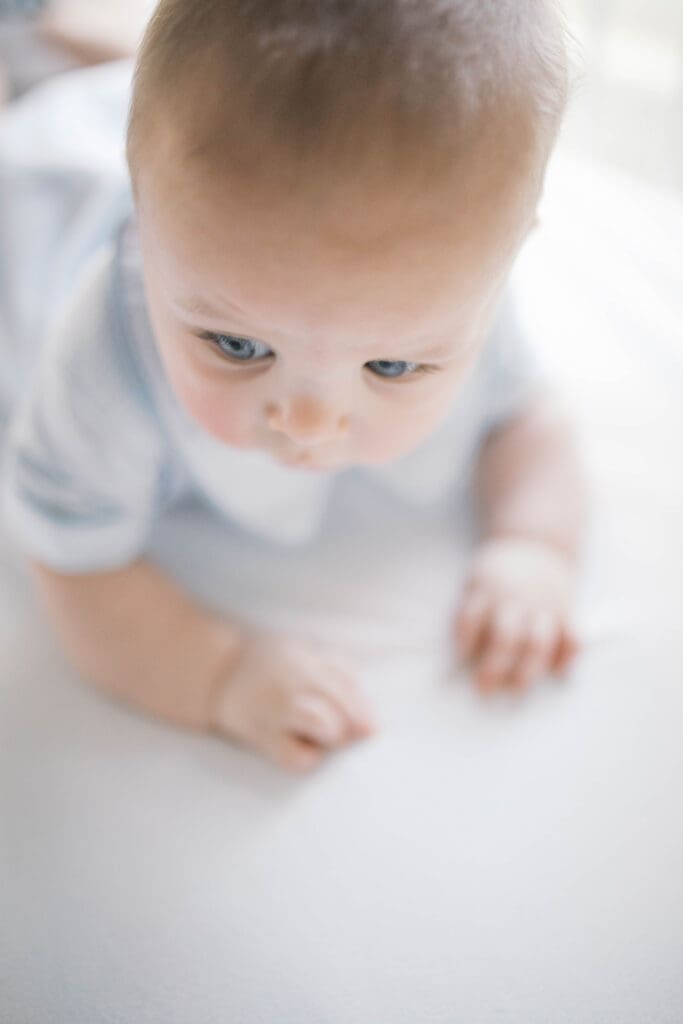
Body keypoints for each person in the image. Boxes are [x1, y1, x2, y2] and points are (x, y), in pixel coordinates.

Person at [0, 0, 585, 774]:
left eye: (392, 367)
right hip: (37, 202)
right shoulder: (103, 359)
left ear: (503, 261)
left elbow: (528, 418)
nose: (309, 422)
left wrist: (532, 547)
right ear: (144, 225)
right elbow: (73, 564)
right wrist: (220, 673)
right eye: (237, 345)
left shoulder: (447, 294)